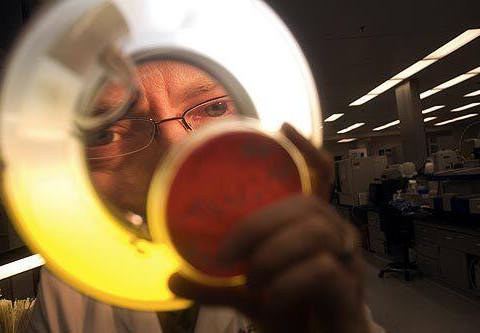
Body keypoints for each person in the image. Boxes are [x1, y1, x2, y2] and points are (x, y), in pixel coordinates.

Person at [28, 60, 384, 333]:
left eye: (213, 109)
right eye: (108, 131)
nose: (175, 153)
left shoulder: (299, 267)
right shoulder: (69, 284)